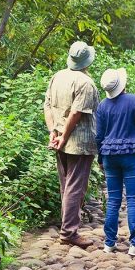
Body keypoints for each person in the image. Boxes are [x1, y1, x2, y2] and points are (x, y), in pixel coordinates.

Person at [44, 41, 99, 248]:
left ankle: (68, 228)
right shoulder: (85, 83)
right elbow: (76, 113)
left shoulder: (57, 76)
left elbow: (47, 106)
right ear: (87, 61)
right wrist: (64, 136)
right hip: (78, 142)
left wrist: (54, 132)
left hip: (60, 139)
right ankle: (69, 232)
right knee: (75, 186)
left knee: (66, 185)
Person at [95, 68, 135, 257]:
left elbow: (99, 136)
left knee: (113, 200)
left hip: (109, 156)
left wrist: (100, 158)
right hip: (132, 156)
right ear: (123, 84)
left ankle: (109, 243)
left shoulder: (103, 106)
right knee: (133, 200)